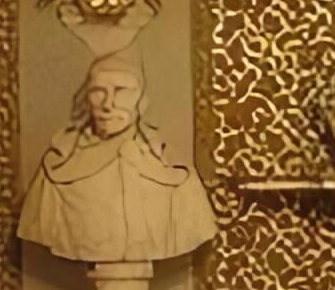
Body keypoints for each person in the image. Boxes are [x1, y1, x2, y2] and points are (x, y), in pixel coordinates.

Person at [19, 54, 217, 266]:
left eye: (121, 91)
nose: (108, 104)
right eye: (97, 91)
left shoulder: (177, 179)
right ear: (86, 97)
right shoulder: (55, 175)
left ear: (141, 99)